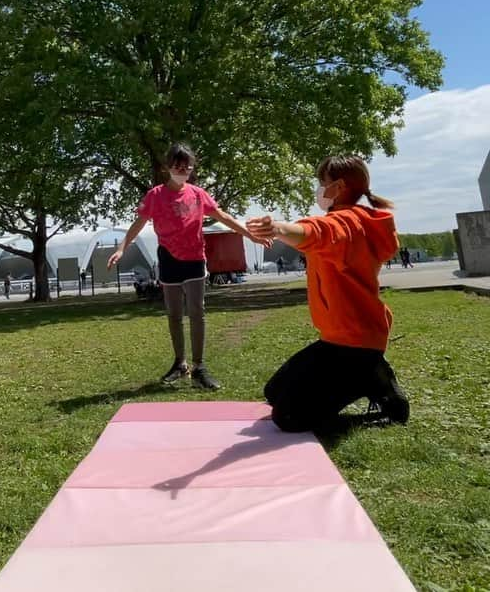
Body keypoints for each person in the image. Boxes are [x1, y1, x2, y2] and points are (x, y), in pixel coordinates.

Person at [246, 155, 410, 432]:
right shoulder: (353, 222)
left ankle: (375, 386)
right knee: (274, 392)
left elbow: (314, 232)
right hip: (337, 339)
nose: (319, 189)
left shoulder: (345, 225)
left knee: (288, 418)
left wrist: (276, 228)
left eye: (322, 183)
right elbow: (316, 232)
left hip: (354, 344)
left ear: (338, 187)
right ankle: (370, 371)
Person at [108, 142, 262, 391]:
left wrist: (250, 234)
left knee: (197, 311)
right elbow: (139, 223)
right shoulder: (155, 195)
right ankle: (180, 363)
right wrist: (121, 247)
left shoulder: (198, 194)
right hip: (169, 259)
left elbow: (223, 217)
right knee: (174, 314)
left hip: (195, 259)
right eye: (178, 167)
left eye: (187, 168)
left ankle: (199, 367)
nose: (183, 172)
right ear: (168, 168)